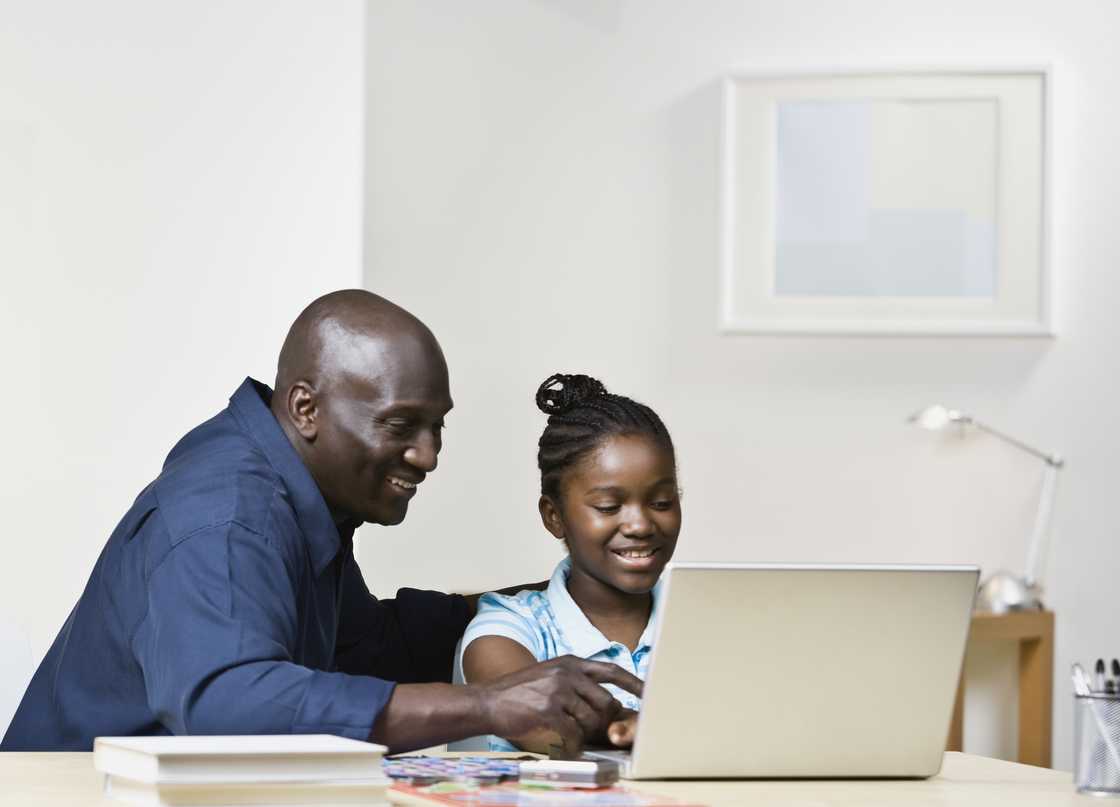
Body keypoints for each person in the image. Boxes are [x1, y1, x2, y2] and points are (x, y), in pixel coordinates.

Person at [1, 291, 641, 753]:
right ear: (306, 408)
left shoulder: (302, 502)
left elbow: (364, 650)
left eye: (436, 426)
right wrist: (489, 705)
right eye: (401, 425)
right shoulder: (228, 514)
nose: (428, 455)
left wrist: (545, 605)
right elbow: (230, 703)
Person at [461, 373, 681, 752]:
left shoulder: (699, 620)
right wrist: (634, 727)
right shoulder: (508, 627)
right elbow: (535, 721)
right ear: (554, 516)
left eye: (661, 503)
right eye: (609, 507)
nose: (641, 525)